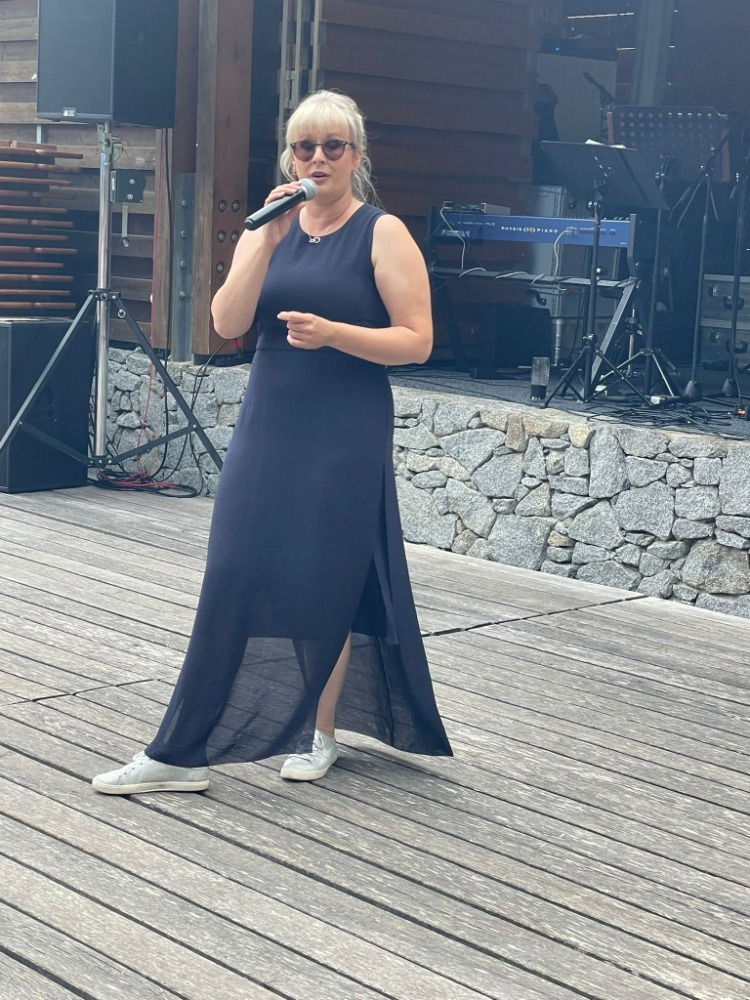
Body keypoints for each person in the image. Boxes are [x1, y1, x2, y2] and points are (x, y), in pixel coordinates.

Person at [92, 89, 452, 795]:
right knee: (233, 565)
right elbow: (227, 321)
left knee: (328, 573)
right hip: (270, 417)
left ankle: (316, 731)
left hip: (344, 426)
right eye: (303, 146)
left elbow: (417, 341)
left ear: (356, 155)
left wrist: (334, 333)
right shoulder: (274, 227)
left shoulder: (381, 232)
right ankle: (183, 753)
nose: (317, 159)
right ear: (289, 156)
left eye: (332, 146)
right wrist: (258, 239)